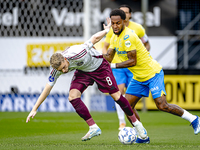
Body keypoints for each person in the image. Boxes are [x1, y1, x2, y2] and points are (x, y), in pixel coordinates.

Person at [26, 18, 148, 141]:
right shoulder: (56, 68)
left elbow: (93, 39)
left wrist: (106, 31)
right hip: (83, 71)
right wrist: (34, 108)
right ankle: (93, 127)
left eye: (64, 67)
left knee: (117, 96)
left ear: (66, 59)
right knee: (72, 96)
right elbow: (48, 87)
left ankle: (137, 124)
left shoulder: (78, 52)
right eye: (61, 70)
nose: (64, 71)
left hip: (99, 66)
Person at [103, 9, 200, 137]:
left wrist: (112, 65)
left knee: (162, 105)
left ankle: (193, 119)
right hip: (138, 77)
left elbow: (132, 61)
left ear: (124, 22)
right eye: (113, 23)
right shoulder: (114, 37)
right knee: (127, 106)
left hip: (152, 73)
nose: (115, 26)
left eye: (118, 23)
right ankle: (142, 135)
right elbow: (108, 57)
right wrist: (93, 57)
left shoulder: (128, 36)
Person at [102, 4, 150, 131]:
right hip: (118, 66)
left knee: (131, 98)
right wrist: (103, 59)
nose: (123, 14)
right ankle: (122, 121)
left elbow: (146, 43)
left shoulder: (137, 28)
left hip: (132, 66)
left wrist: (143, 56)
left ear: (129, 15)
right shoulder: (113, 30)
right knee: (119, 92)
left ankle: (136, 122)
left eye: (126, 12)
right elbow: (106, 46)